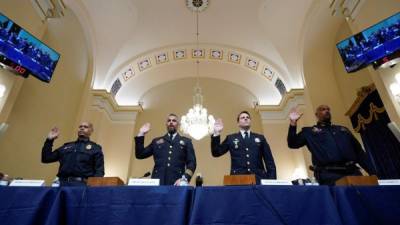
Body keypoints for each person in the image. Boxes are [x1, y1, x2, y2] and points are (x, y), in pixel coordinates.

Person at [287, 105, 375, 185]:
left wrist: (373, 174)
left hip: (353, 172)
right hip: (329, 175)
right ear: (316, 114)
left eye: (328, 109)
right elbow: (293, 143)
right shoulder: (309, 132)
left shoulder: (343, 130)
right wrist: (293, 123)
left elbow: (359, 153)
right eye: (323, 109)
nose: (327, 111)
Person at [211, 111, 276, 183]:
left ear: (250, 121)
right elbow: (216, 152)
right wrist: (216, 133)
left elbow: (269, 161)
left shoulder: (260, 138)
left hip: (259, 178)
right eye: (242, 117)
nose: (245, 118)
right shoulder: (231, 138)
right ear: (238, 123)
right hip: (237, 180)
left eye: (248, 117)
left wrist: (272, 182)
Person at [135, 113, 196, 185]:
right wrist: (141, 133)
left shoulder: (186, 141)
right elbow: (140, 154)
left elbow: (192, 163)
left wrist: (185, 178)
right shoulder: (157, 141)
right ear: (166, 124)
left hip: (177, 183)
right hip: (157, 182)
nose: (171, 122)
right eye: (169, 120)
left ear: (178, 124)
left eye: (174, 121)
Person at [41, 122, 104, 186]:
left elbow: (99, 171)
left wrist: (93, 187)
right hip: (61, 183)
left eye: (85, 127)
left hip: (82, 186)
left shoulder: (95, 148)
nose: (82, 128)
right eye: (80, 126)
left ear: (91, 131)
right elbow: (46, 158)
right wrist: (49, 140)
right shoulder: (67, 146)